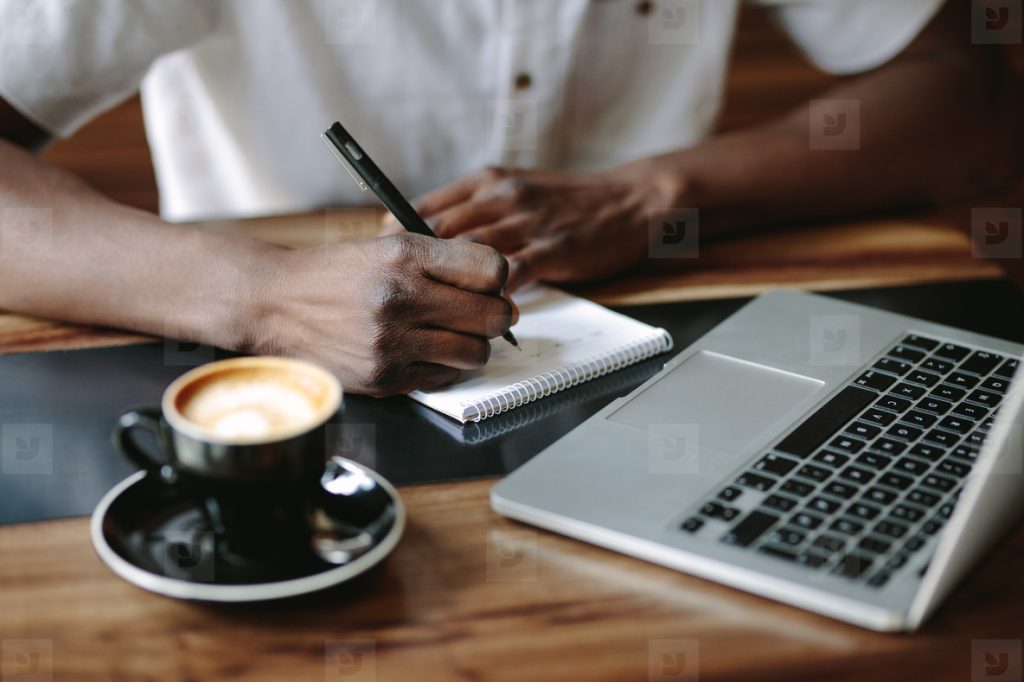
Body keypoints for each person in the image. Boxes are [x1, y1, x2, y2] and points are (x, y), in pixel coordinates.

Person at [0, 0, 1019, 395]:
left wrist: (654, 193)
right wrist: (266, 292)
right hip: (267, 379)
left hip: (669, 322)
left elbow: (965, 91)